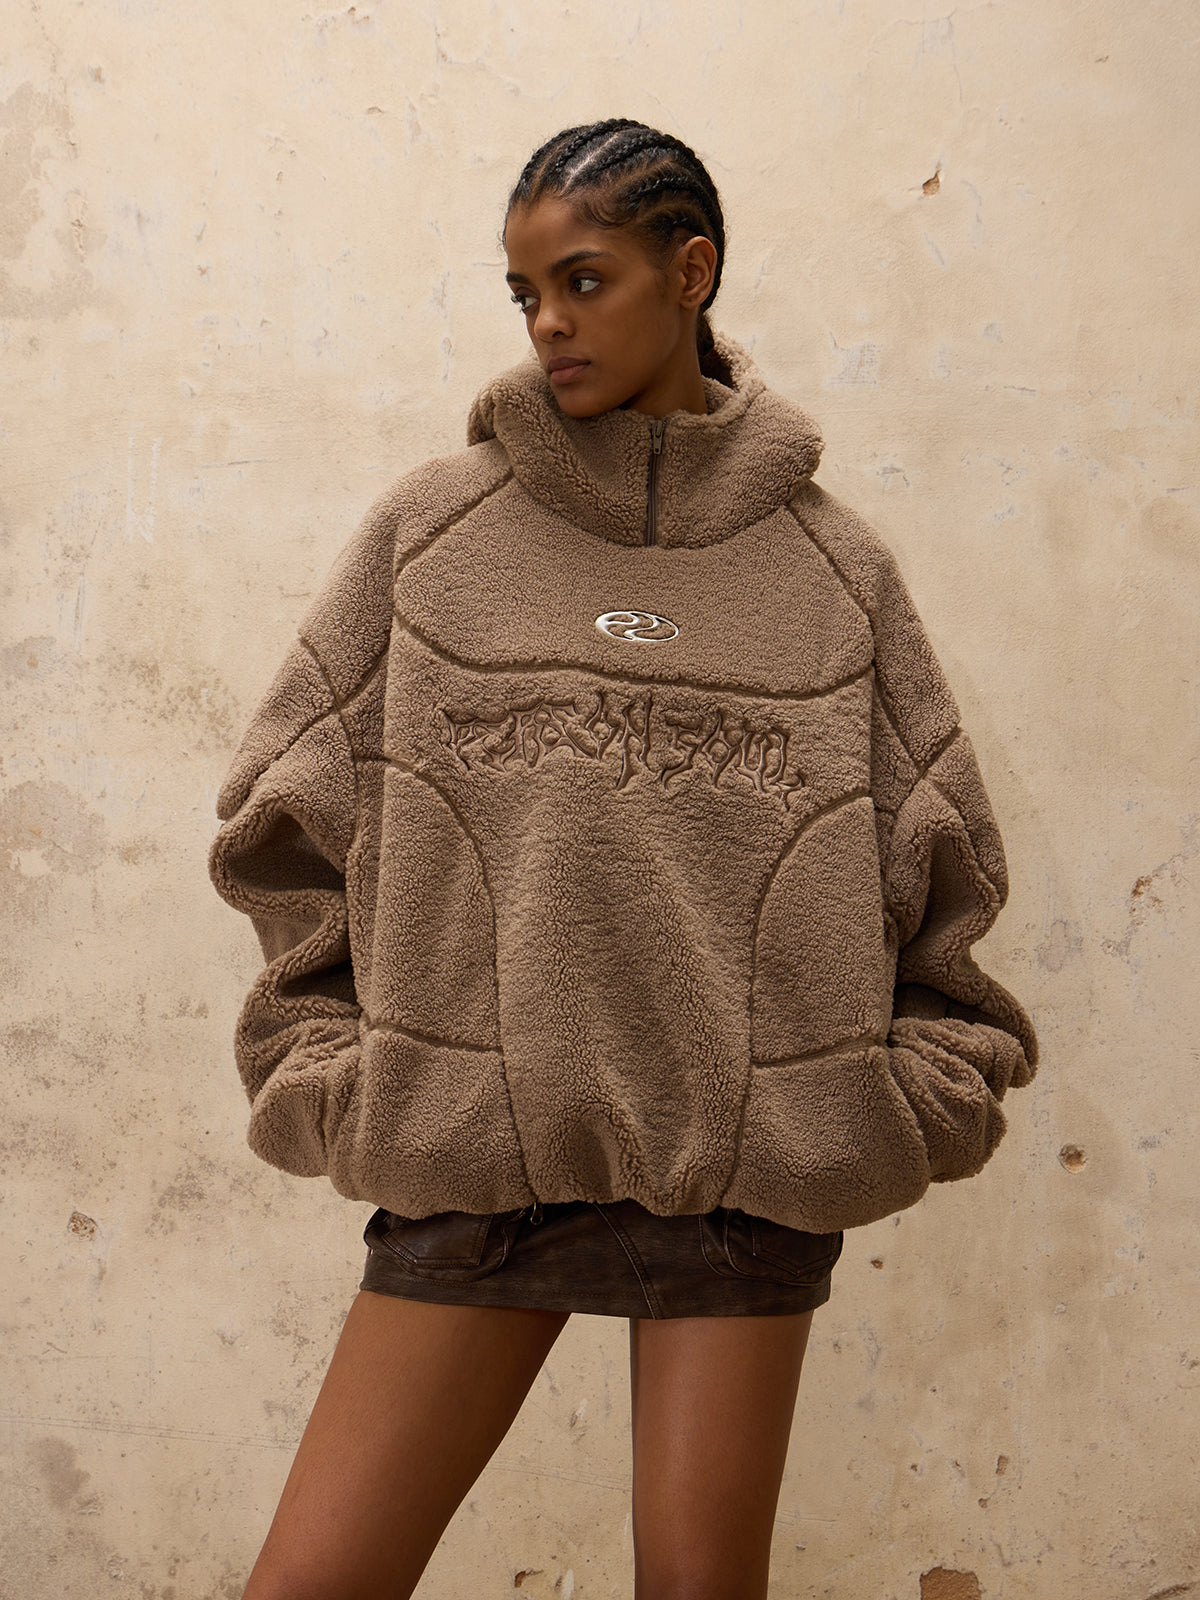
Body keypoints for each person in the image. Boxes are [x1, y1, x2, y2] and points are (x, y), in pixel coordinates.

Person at [209, 118, 1038, 1600]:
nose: (548, 323)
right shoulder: (432, 535)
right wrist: (337, 1070)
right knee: (313, 1583)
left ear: (691, 272)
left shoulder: (837, 574)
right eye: (524, 292)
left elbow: (946, 876)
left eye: (583, 281)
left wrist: (875, 1108)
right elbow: (280, 828)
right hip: (469, 1168)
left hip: (746, 1188)